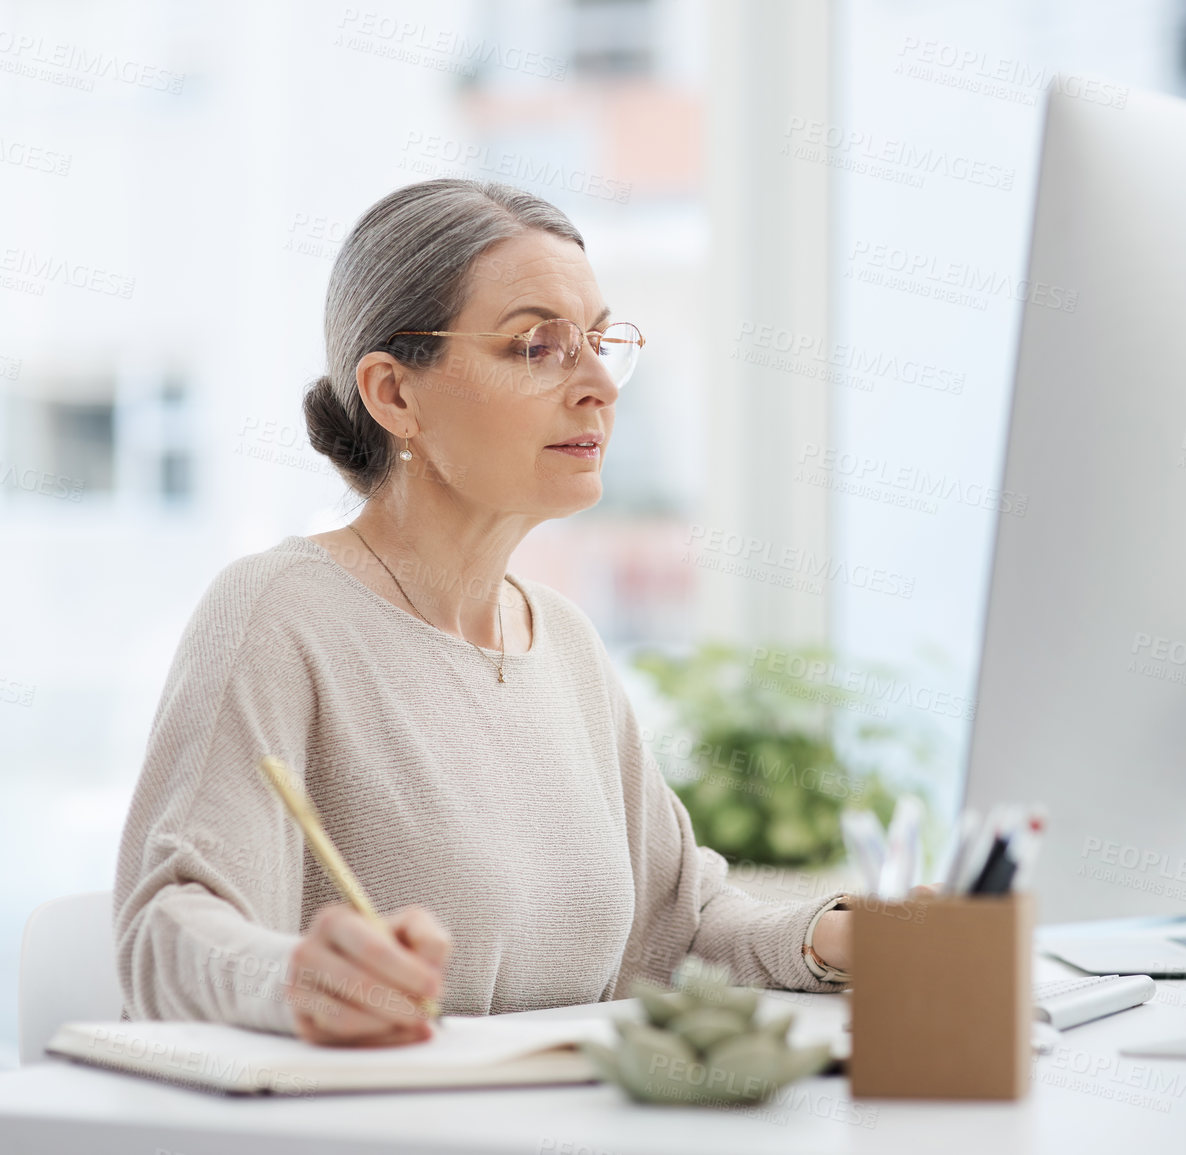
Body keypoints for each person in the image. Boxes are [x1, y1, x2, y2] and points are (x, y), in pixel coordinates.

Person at [113, 178, 853, 1047]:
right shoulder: (278, 614)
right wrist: (296, 978)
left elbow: (676, 926)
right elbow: (166, 927)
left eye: (602, 343)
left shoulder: (564, 642)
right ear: (394, 394)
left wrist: (830, 934)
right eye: (537, 346)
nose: (599, 387)